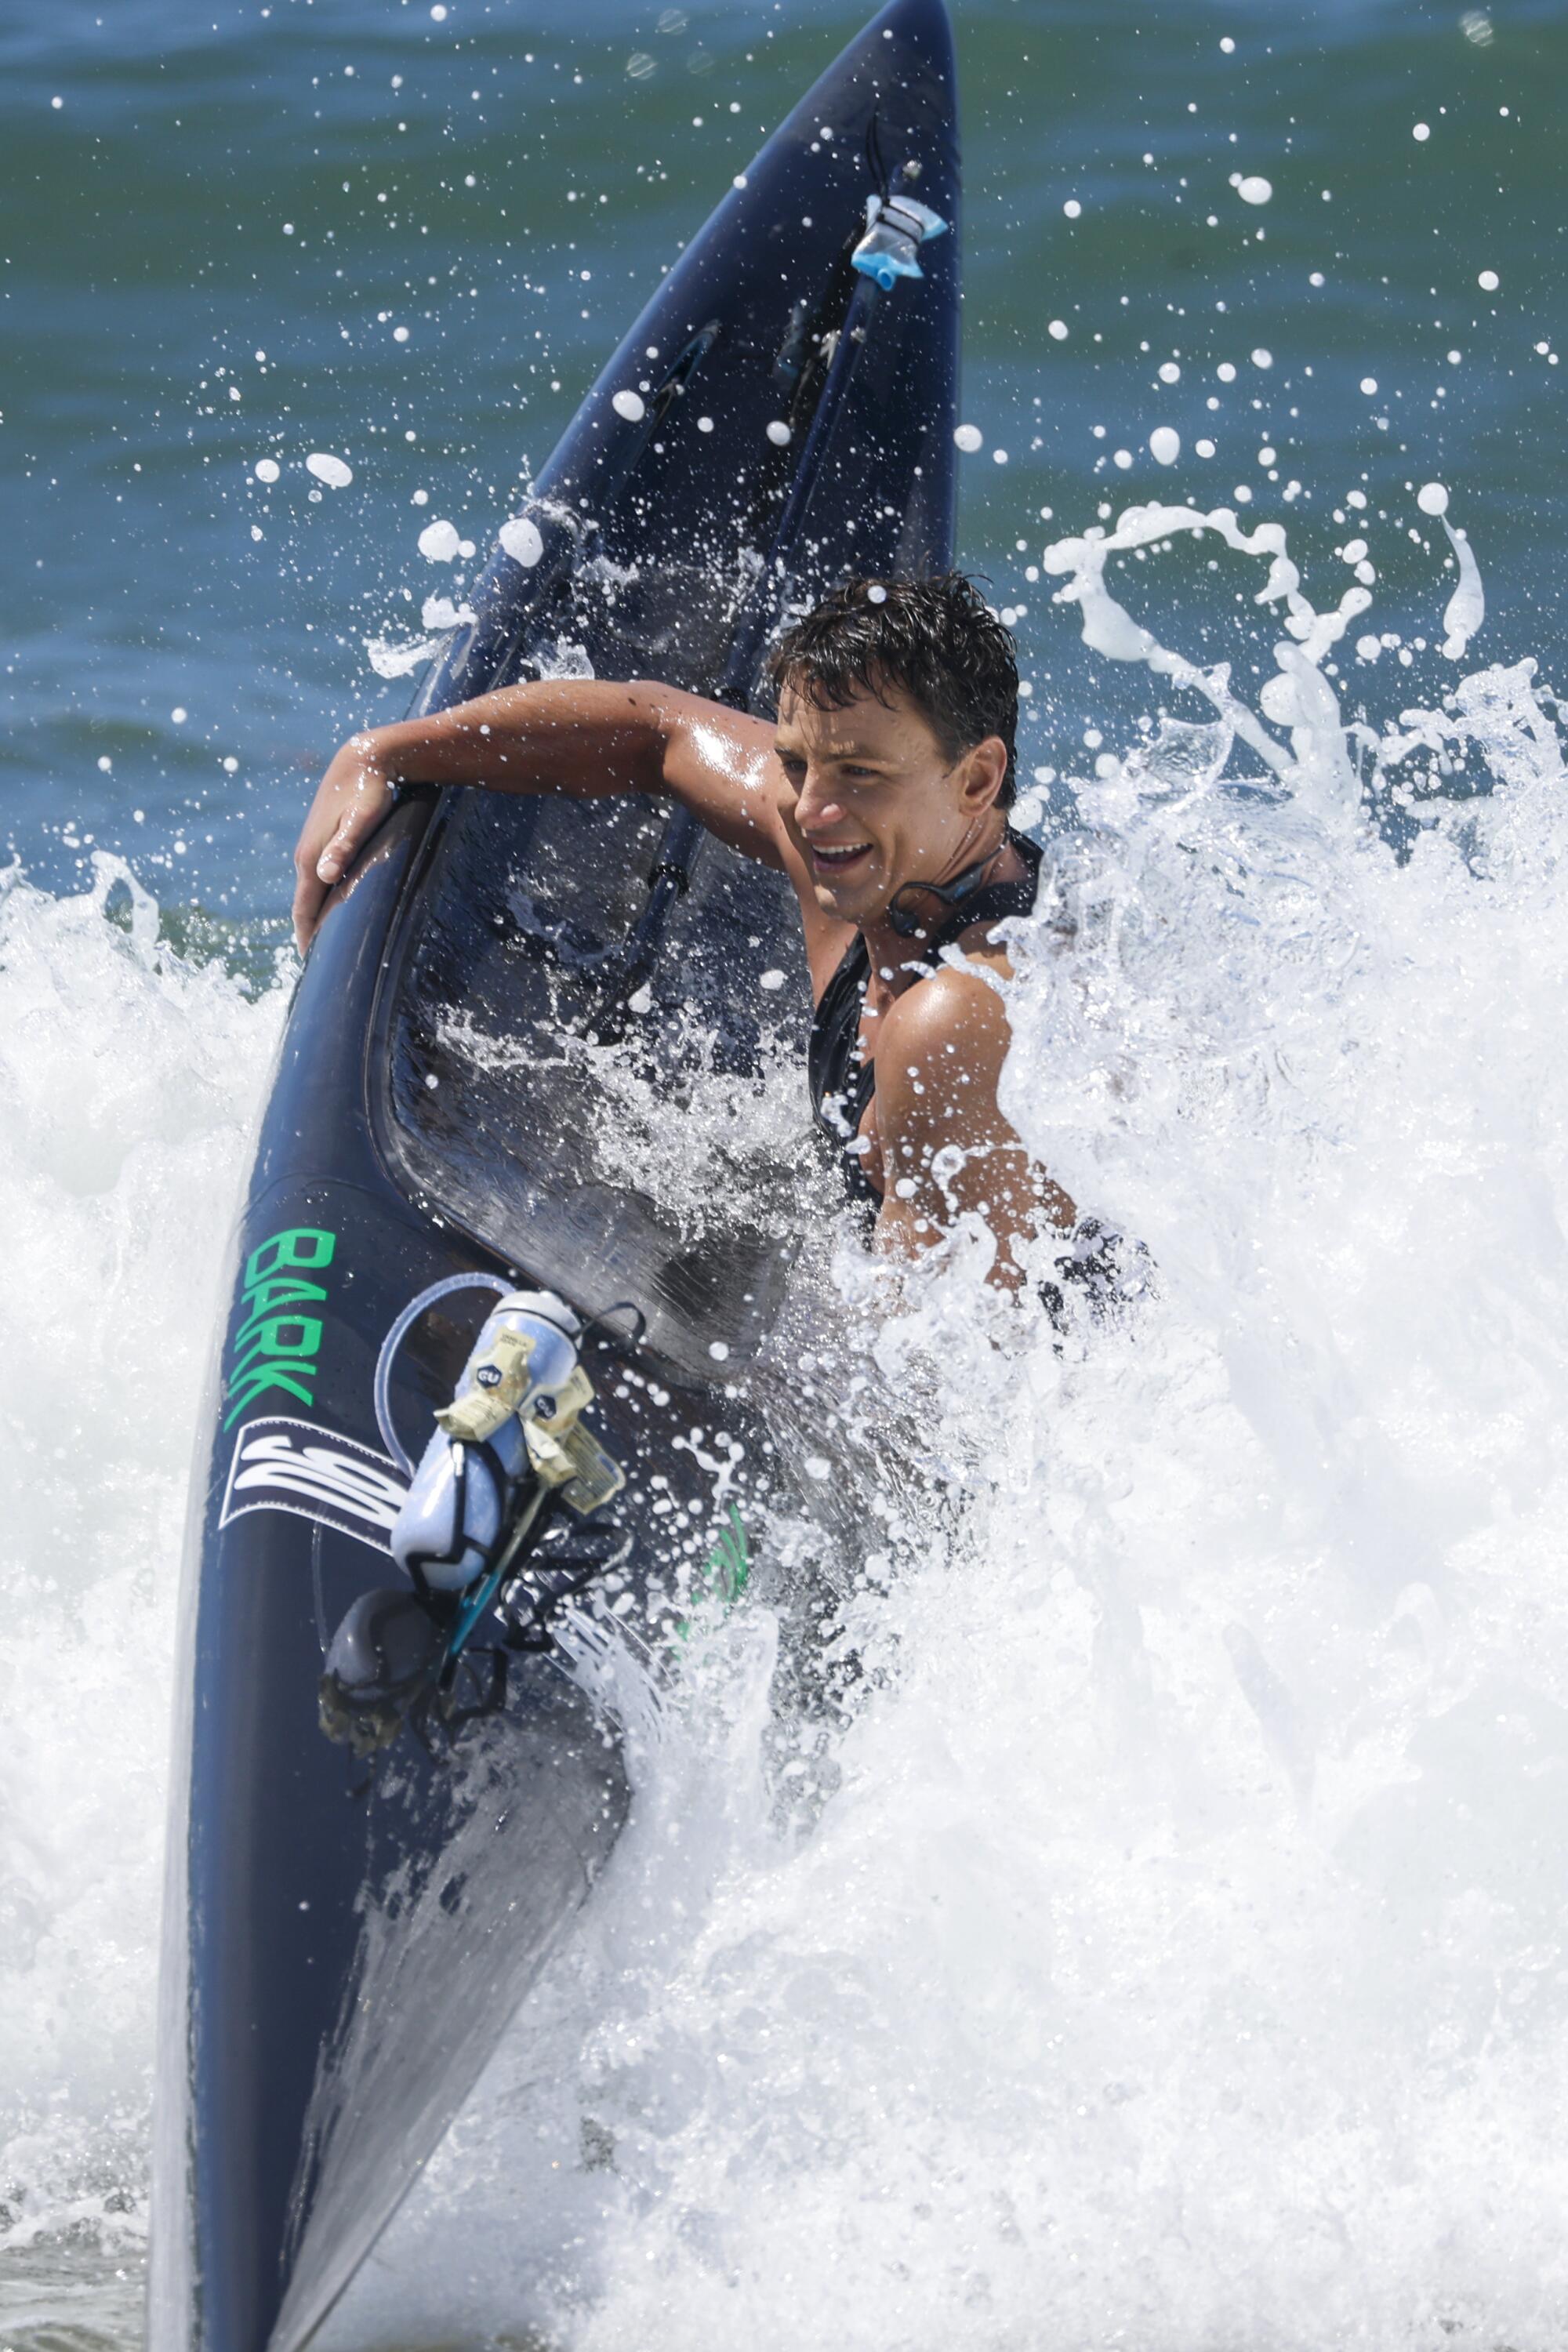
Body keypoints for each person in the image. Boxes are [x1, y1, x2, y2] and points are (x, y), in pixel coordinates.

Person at [292, 572, 1076, 1291]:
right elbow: (656, 729)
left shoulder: (965, 1018)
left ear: (977, 778)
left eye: (860, 775)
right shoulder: (876, 850)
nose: (808, 813)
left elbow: (935, 1388)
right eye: (798, 765)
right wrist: (386, 754)